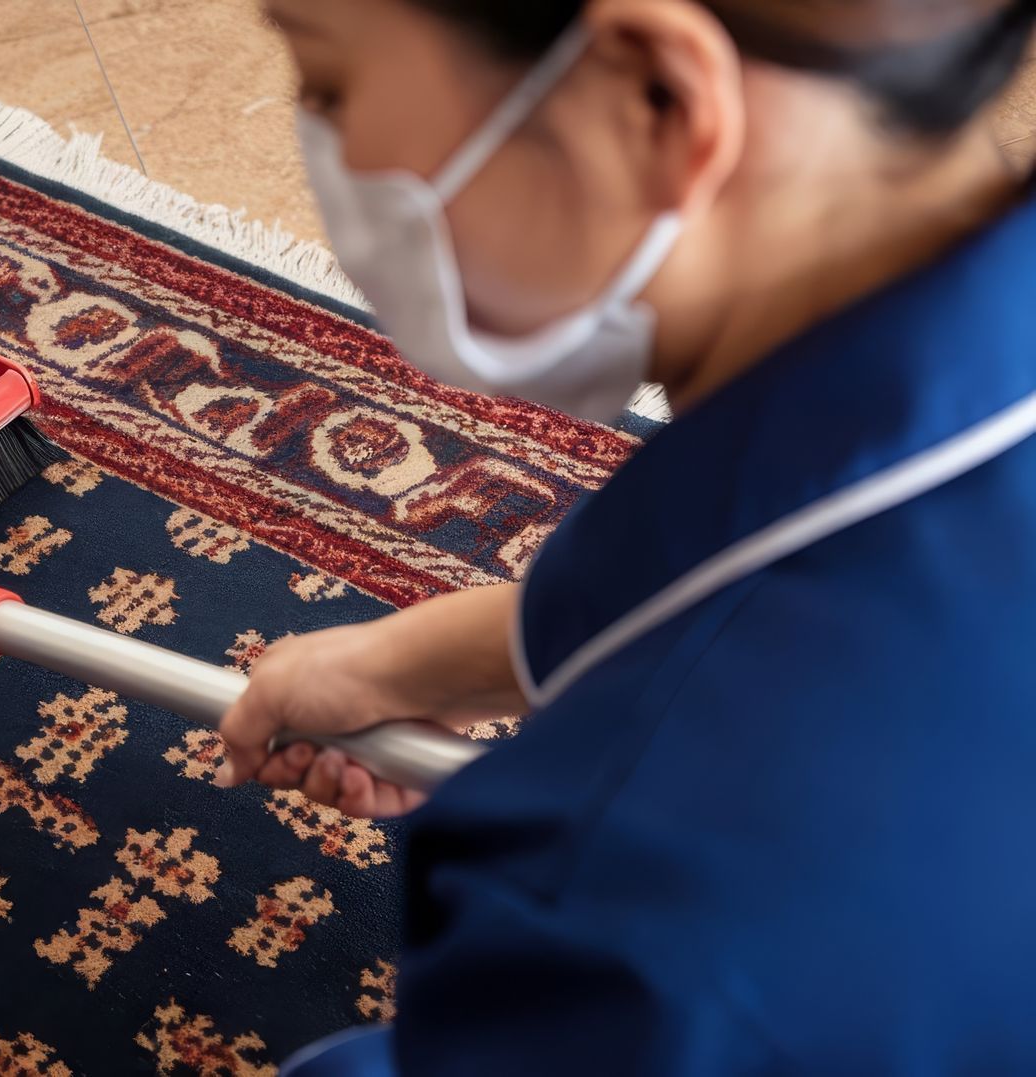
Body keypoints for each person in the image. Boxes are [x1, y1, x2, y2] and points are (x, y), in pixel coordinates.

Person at [216, 1, 1036, 1072]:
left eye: (327, 81)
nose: (316, 134)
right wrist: (413, 658)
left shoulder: (622, 915)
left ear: (655, 96)